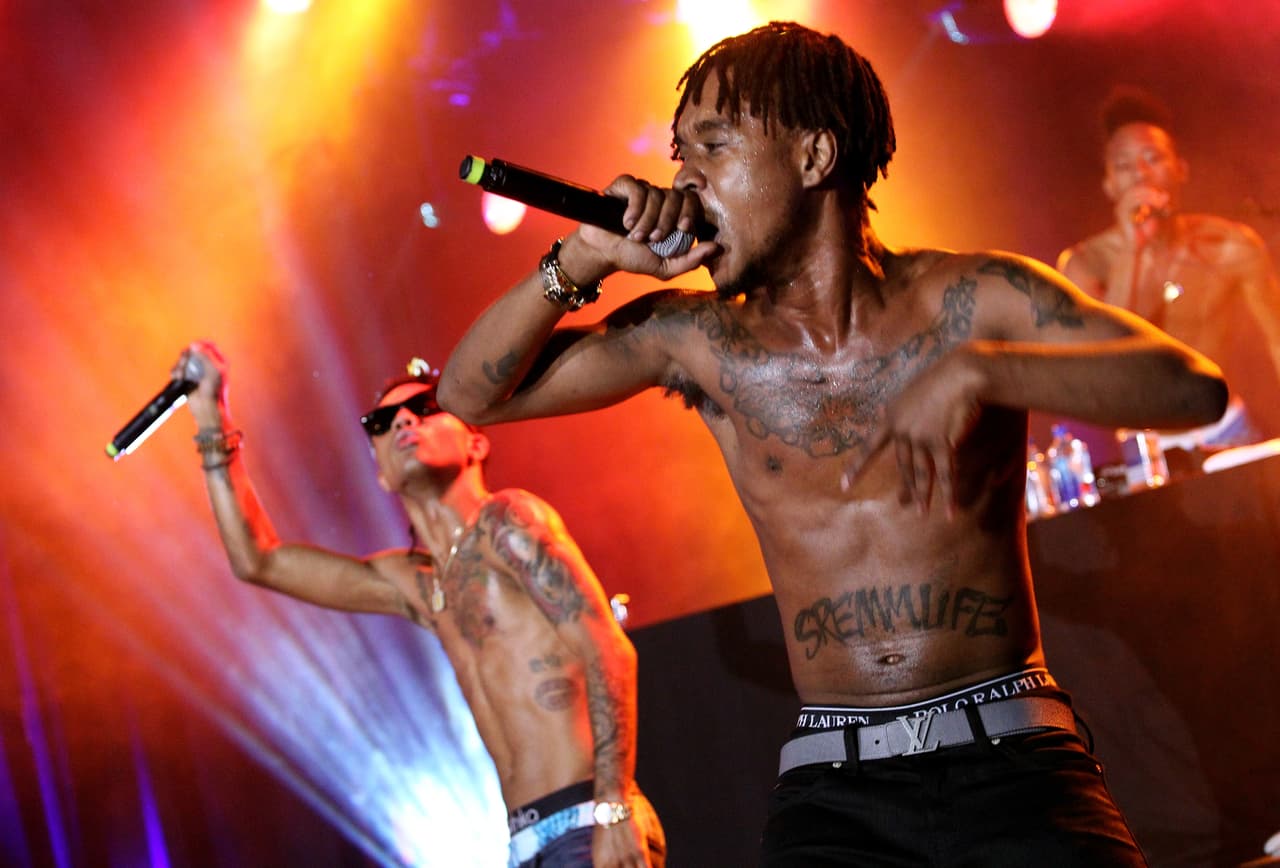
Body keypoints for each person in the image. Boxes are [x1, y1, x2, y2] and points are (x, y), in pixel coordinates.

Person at [438, 21, 1228, 866]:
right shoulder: (697, 341)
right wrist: (585, 255)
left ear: (814, 158)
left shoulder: (971, 297)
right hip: (834, 791)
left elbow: (1193, 387)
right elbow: (468, 397)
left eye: (713, 147)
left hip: (1015, 760)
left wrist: (980, 374)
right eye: (680, 155)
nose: (684, 181)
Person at [173, 341, 665, 868]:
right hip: (525, 843)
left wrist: (613, 807)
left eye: (426, 408)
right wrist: (210, 413)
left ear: (476, 442)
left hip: (587, 820)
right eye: (381, 421)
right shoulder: (418, 582)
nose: (405, 420)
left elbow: (608, 651)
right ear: (380, 472)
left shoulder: (508, 523)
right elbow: (259, 561)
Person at [1057, 85, 1280, 451]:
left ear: (1181, 170)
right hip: (1145, 447)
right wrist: (1134, 249)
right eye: (1125, 166)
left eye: (1153, 158)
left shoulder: (1230, 246)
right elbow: (1106, 362)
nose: (1141, 175)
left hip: (1223, 429)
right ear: (1109, 185)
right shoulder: (1085, 264)